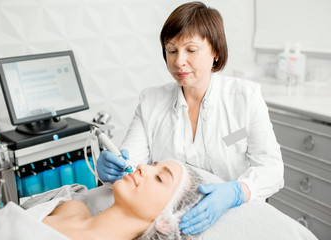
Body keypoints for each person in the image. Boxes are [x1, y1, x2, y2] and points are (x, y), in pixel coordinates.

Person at [96, 1, 284, 236]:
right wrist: (111, 172)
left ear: (215, 51)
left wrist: (237, 191)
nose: (178, 61)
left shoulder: (245, 98)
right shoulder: (150, 102)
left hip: (234, 215)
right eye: (171, 50)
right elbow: (130, 166)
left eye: (191, 50)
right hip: (170, 223)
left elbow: (271, 168)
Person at [43, 160, 205, 239]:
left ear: (167, 222)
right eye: (152, 164)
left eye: (159, 178)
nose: (142, 166)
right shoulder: (72, 206)